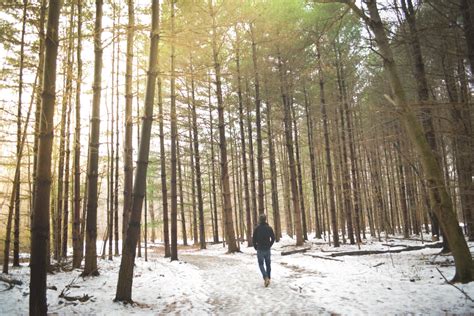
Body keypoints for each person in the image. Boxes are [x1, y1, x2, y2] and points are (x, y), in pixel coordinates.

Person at [252, 213, 275, 287]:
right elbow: (273, 238)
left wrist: (255, 246)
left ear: (259, 220)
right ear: (265, 220)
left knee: (261, 264)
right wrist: (269, 245)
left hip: (260, 249)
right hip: (267, 249)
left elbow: (253, 239)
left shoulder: (257, 228)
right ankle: (268, 278)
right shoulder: (269, 228)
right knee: (268, 264)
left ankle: (265, 277)